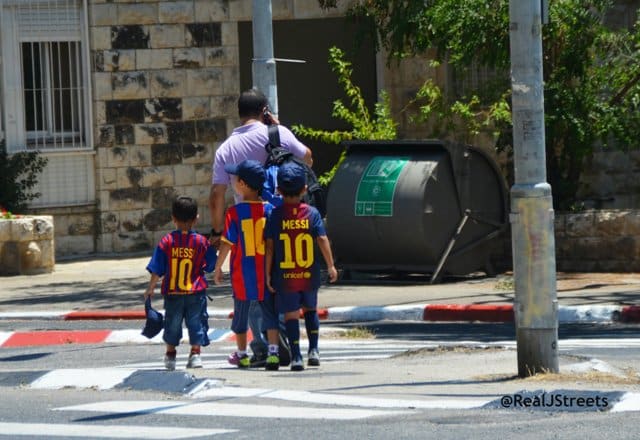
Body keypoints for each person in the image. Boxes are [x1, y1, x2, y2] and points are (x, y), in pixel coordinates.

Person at [209, 88, 312, 366]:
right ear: (264, 110)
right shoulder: (278, 134)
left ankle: (263, 348)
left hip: (248, 226)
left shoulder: (226, 149)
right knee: (279, 286)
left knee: (254, 292)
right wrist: (277, 129)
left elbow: (217, 194)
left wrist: (217, 232)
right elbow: (308, 158)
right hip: (283, 222)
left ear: (239, 113)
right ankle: (285, 344)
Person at [265, 162, 338, 371]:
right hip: (309, 273)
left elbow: (269, 249)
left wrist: (267, 274)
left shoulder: (275, 215)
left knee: (290, 314)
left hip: (285, 275)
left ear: (278, 190)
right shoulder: (312, 214)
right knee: (310, 310)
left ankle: (296, 355)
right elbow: (322, 239)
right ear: (304, 188)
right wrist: (331, 265)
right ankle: (313, 350)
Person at [212, 160, 282, 370]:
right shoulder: (269, 210)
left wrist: (218, 266)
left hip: (242, 273)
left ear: (242, 183)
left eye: (234, 180)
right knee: (269, 314)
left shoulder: (234, 213)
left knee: (240, 315)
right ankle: (273, 353)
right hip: (265, 273)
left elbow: (227, 242)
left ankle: (242, 355)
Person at [144, 196, 217, 371]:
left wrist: (150, 287)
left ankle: (170, 355)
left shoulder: (167, 242)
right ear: (196, 218)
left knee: (172, 323)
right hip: (195, 293)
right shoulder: (201, 242)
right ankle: (195, 354)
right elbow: (210, 266)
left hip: (173, 293)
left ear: (173, 218)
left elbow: (157, 268)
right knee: (196, 323)